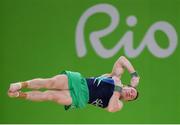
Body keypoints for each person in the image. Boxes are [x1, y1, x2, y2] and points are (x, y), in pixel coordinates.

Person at [8, 56, 140, 112]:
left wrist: (117, 89)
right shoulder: (114, 77)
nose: (130, 94)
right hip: (79, 81)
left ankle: (18, 95)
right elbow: (122, 59)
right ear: (128, 85)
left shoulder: (119, 103)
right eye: (132, 91)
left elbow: (111, 108)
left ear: (127, 100)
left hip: (80, 98)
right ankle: (21, 84)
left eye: (131, 97)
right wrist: (134, 74)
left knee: (49, 96)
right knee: (50, 82)